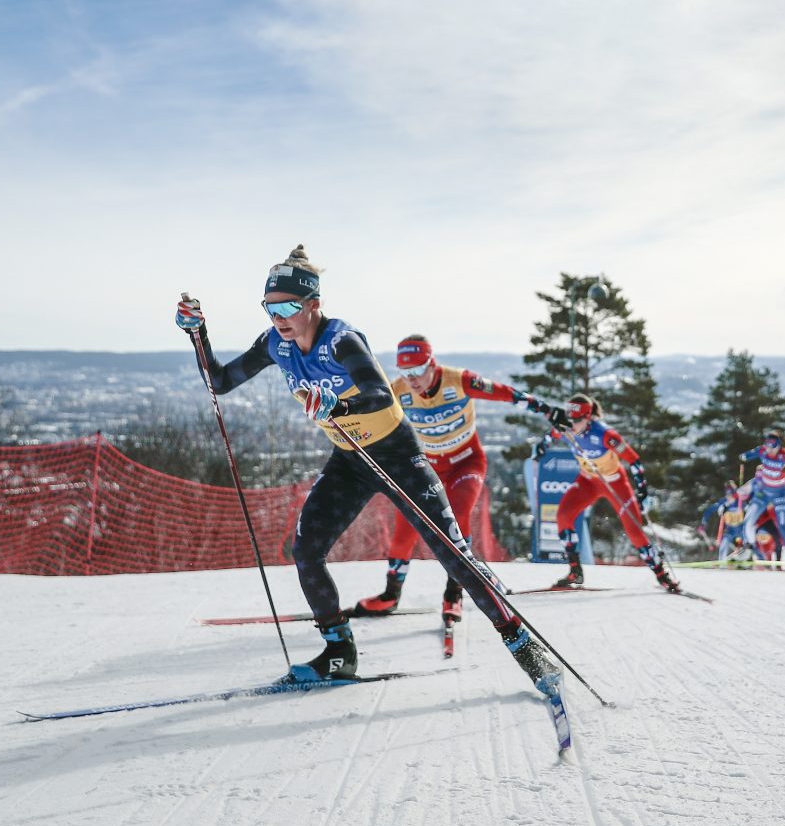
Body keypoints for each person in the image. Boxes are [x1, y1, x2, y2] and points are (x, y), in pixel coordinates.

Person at [174, 245, 561, 695]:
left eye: (287, 306)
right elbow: (218, 381)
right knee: (306, 549)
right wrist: (198, 334)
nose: (278, 316)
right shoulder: (274, 343)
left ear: (313, 305)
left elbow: (379, 393)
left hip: (396, 454)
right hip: (350, 459)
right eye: (269, 306)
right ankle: (338, 652)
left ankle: (525, 648)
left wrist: (340, 402)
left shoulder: (341, 339)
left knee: (451, 553)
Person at [353, 334, 563, 621]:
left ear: (432, 363)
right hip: (424, 468)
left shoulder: (458, 380)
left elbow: (503, 392)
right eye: (405, 372)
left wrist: (546, 409)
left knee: (458, 516)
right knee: (405, 528)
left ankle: (454, 594)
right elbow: (370, 421)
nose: (412, 379)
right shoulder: (397, 391)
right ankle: (391, 595)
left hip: (466, 463)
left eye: (417, 370)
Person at [533, 394, 680, 592]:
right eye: (570, 419)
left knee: (634, 531)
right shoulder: (566, 428)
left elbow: (634, 460)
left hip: (614, 482)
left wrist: (642, 492)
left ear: (589, 417)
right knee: (563, 516)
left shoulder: (604, 434)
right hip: (587, 481)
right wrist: (541, 446)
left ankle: (662, 575)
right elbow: (551, 436)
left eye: (577, 420)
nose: (572, 424)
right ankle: (575, 571)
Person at [739, 430, 785, 572]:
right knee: (748, 521)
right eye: (767, 445)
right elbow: (745, 456)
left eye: (773, 446)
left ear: (778, 445)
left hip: (779, 495)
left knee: (783, 528)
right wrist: (744, 457)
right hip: (763, 493)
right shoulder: (763, 450)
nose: (770, 449)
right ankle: (748, 548)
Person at [696, 480, 747, 560]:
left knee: (742, 544)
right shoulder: (723, 502)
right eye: (727, 495)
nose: (729, 497)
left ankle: (744, 558)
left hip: (741, 531)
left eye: (731, 495)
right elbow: (708, 511)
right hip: (729, 530)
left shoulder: (741, 501)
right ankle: (722, 564)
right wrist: (703, 523)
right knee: (724, 544)